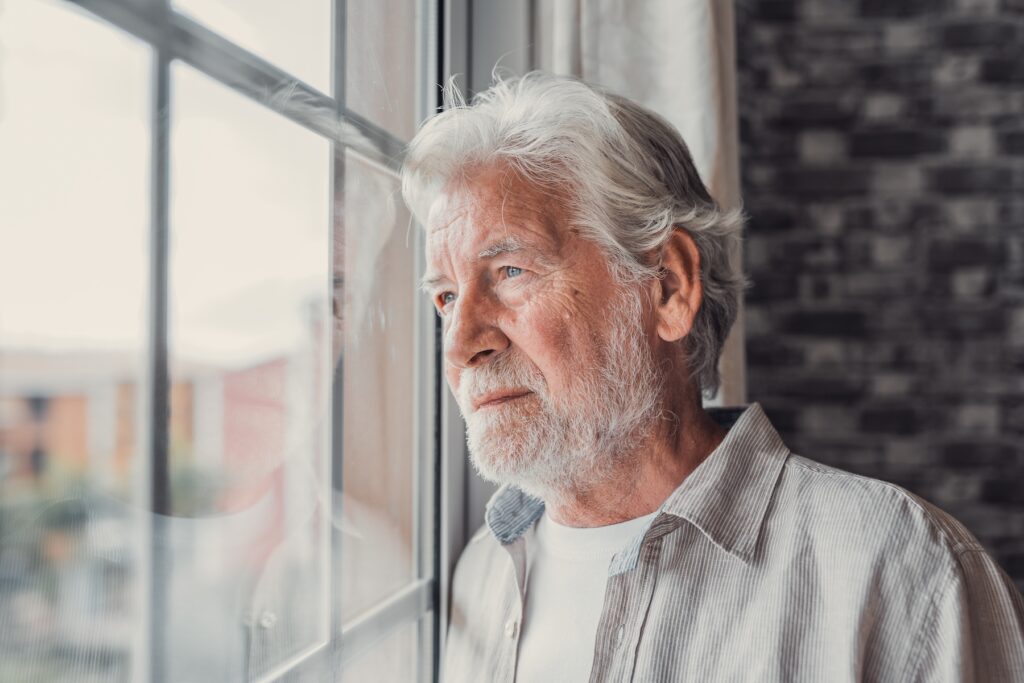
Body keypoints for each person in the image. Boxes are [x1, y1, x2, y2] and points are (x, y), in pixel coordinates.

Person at [401, 72, 1024, 682]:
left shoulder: (902, 571)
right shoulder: (480, 574)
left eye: (510, 270)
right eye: (446, 298)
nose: (461, 345)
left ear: (668, 286)